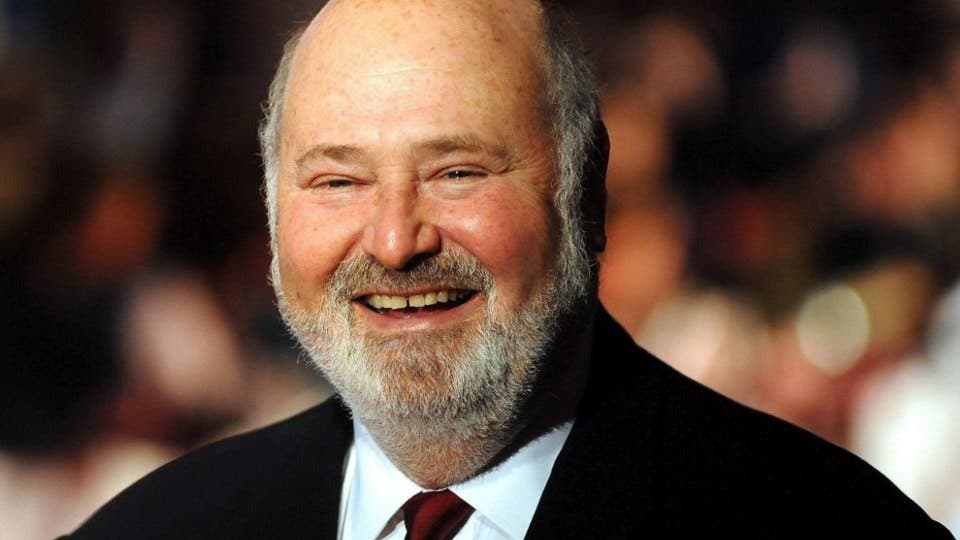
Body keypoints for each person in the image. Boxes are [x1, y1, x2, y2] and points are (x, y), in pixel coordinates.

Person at [65, 0, 953, 538]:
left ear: (587, 201)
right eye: (338, 181)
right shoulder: (154, 528)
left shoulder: (824, 526)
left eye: (457, 172)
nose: (394, 240)